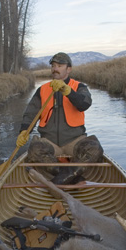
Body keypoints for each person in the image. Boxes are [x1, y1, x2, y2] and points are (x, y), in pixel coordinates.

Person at [16, 52, 103, 183]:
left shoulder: (79, 87)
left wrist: (67, 91)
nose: (55, 69)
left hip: (74, 141)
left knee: (94, 148)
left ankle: (61, 177)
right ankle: (70, 176)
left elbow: (84, 104)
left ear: (69, 69)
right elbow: (30, 113)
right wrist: (24, 130)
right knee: (34, 149)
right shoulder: (42, 90)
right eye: (53, 66)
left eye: (60, 65)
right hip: (50, 143)